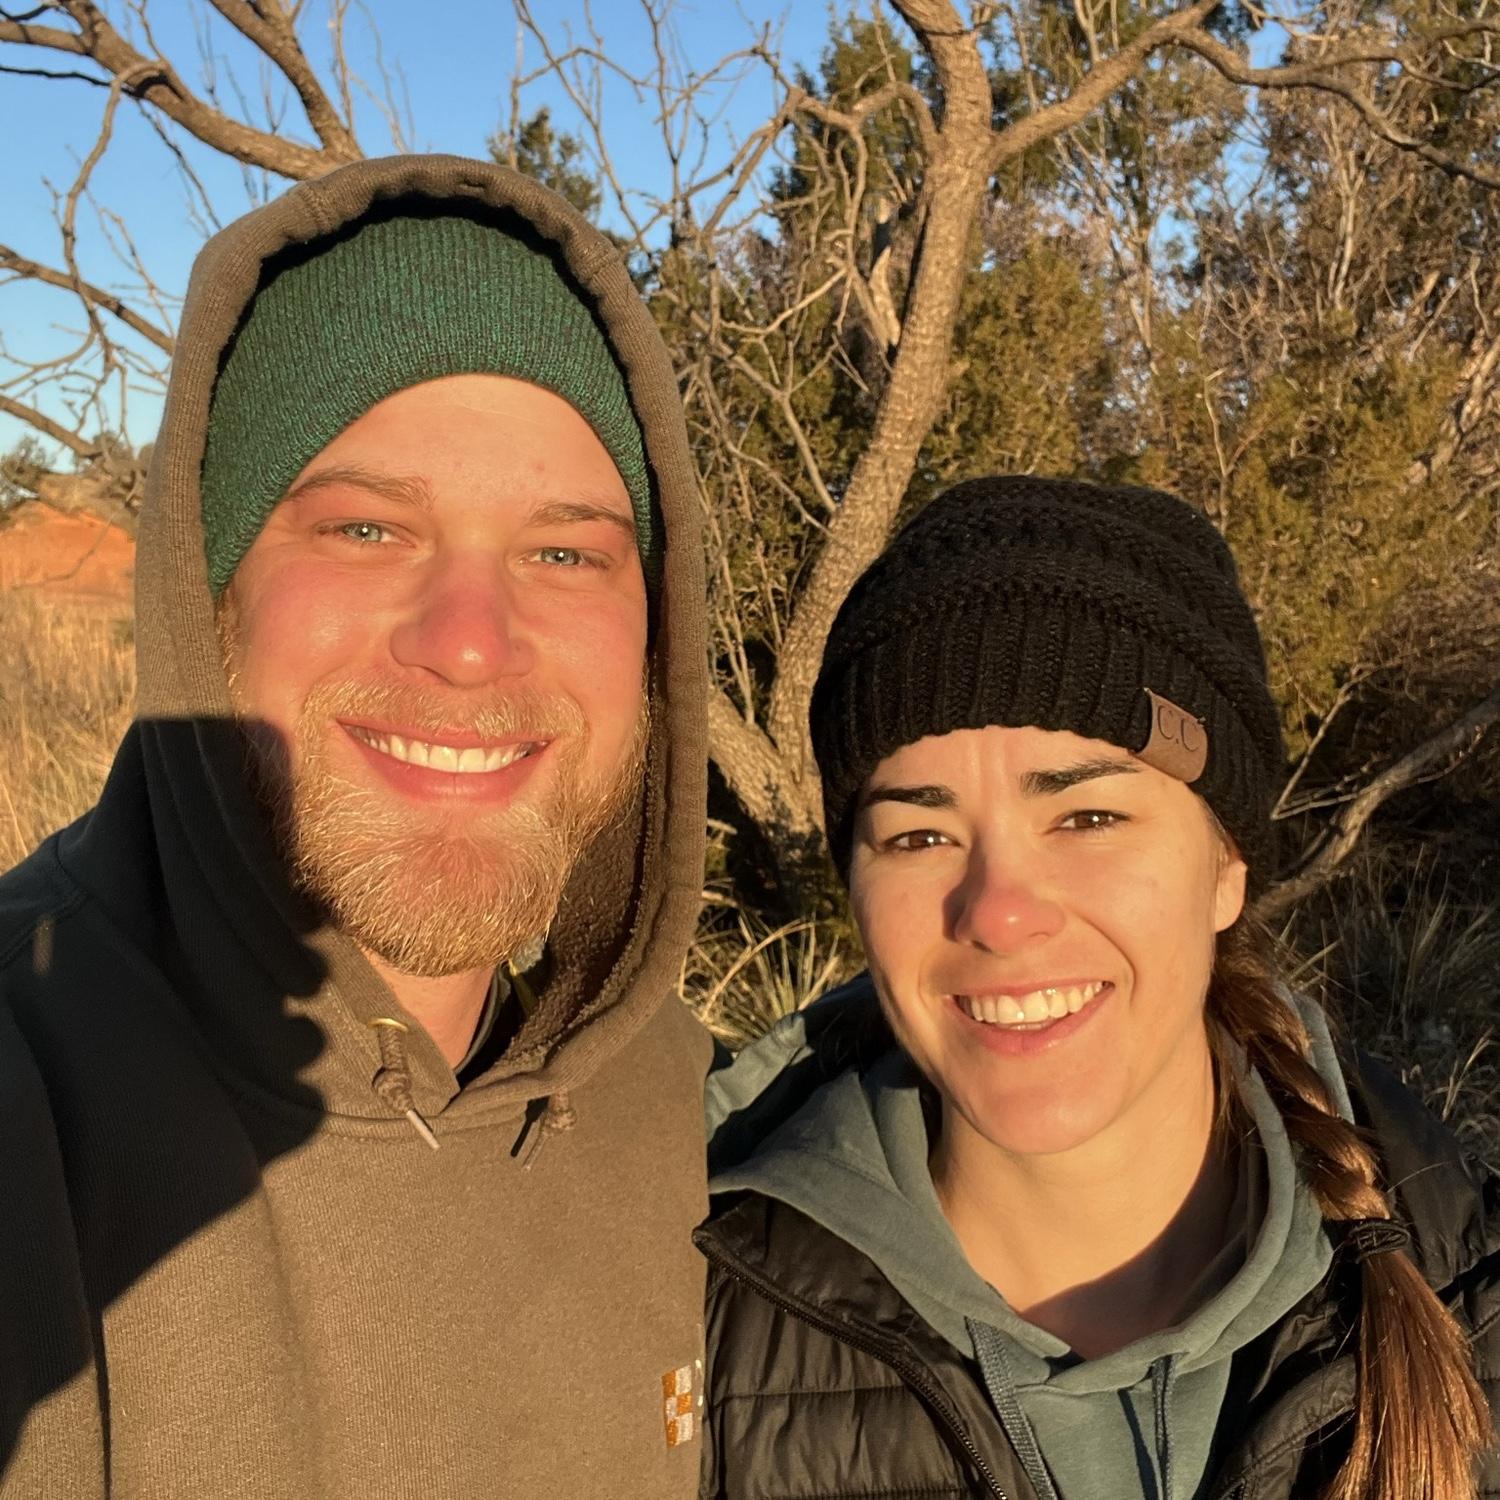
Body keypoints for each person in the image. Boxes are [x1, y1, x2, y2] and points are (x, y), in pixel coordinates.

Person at [0, 156, 712, 1497]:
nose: (468, 644)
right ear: (204, 595)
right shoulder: (32, 1113)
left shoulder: (694, 1123)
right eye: (369, 528)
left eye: (566, 552)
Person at [698, 475, 1499, 1500]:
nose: (999, 910)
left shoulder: (1466, 1292)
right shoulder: (686, 1340)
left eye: (1086, 819)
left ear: (1226, 865)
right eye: (919, 834)